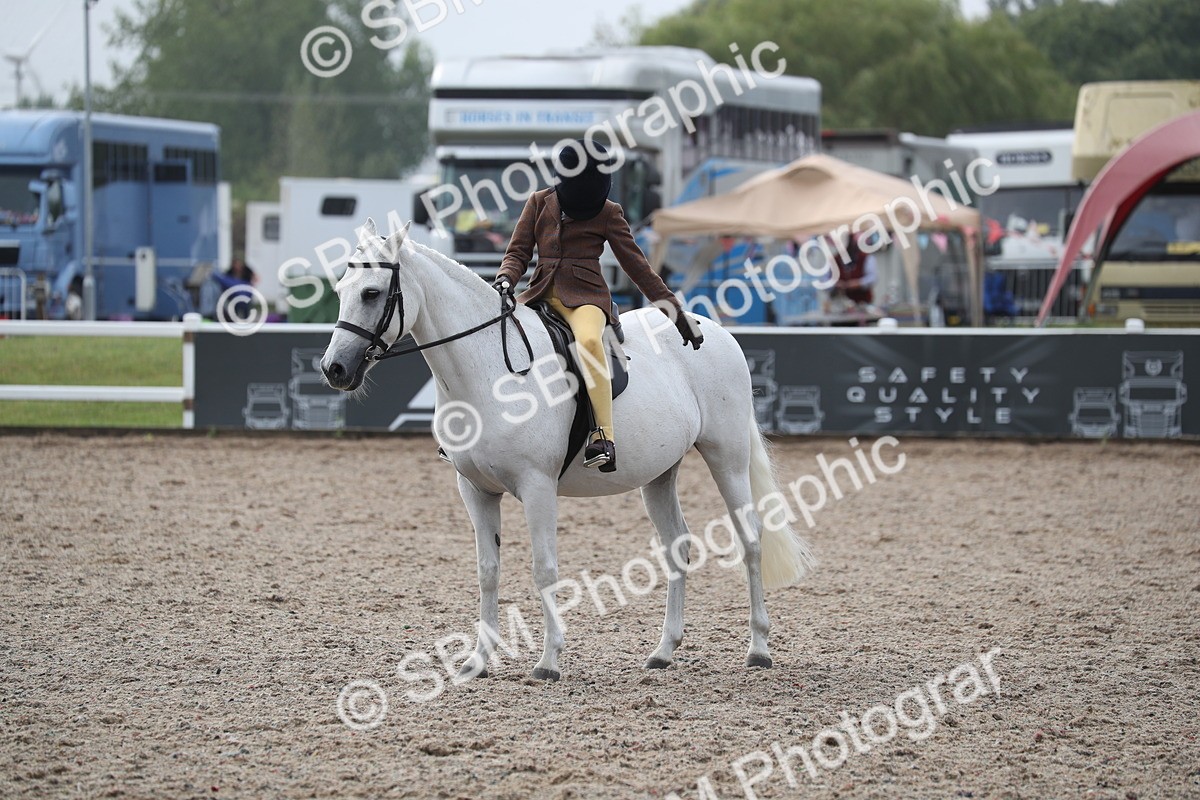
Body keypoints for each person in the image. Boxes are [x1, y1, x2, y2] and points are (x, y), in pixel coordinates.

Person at [493, 139, 703, 472]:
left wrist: (676, 315)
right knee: (499, 339)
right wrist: (506, 278)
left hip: (586, 297)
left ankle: (603, 435)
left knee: (590, 342)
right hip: (537, 293)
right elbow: (518, 252)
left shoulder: (609, 212)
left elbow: (639, 269)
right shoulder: (537, 202)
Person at [832, 232, 876, 306]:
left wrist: (858, 283)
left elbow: (873, 277)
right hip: (840, 304)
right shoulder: (836, 259)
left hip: (862, 302)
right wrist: (836, 284)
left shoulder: (866, 258)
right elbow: (825, 280)